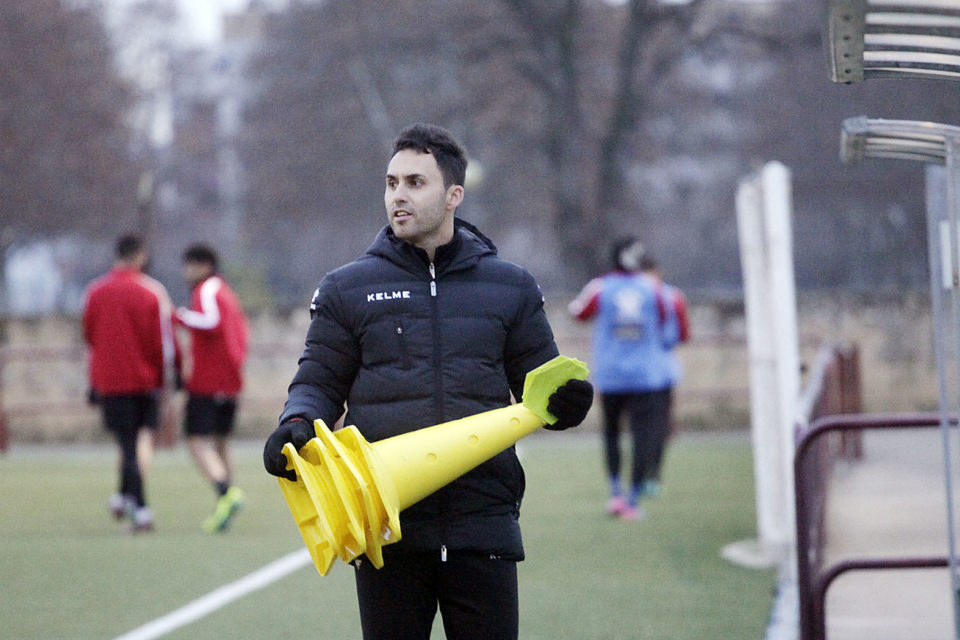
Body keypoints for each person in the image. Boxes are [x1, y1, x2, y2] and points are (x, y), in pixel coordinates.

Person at [262, 122, 593, 640]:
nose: (398, 195)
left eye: (415, 183)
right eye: (392, 183)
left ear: (454, 195)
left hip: (483, 524)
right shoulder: (347, 288)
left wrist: (567, 403)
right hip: (387, 530)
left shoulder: (511, 287)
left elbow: (539, 387)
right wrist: (298, 421)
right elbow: (318, 380)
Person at [568, 237, 680, 521]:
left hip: (611, 375)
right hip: (645, 376)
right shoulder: (654, 288)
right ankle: (632, 499)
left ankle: (616, 493)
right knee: (643, 436)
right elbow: (668, 326)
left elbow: (577, 312)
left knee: (611, 433)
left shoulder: (600, 287)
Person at [82, 233, 177, 533]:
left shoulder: (95, 292)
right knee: (135, 444)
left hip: (111, 382)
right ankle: (141, 508)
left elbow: (90, 337)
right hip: (145, 381)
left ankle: (124, 498)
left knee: (127, 444)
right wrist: (168, 378)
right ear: (139, 255)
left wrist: (95, 379)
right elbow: (163, 342)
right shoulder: (152, 291)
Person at [174, 243, 250, 533]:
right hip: (229, 381)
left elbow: (211, 321)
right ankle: (225, 504)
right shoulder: (227, 292)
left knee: (196, 441)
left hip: (209, 381)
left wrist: (178, 316)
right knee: (220, 442)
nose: (186, 272)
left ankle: (225, 492)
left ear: (203, 265)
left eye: (189, 265)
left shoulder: (207, 289)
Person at [637, 252, 689, 497]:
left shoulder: (626, 294)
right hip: (662, 371)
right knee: (658, 425)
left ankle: (637, 476)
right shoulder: (672, 296)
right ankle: (653, 476)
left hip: (634, 373)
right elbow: (682, 334)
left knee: (639, 426)